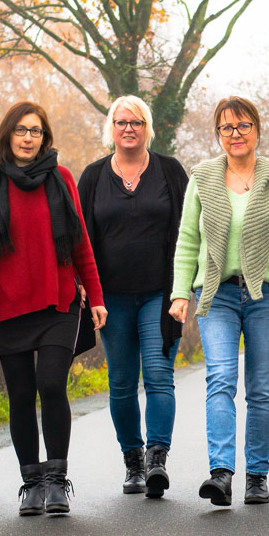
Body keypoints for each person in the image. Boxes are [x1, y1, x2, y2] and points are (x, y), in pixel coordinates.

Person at [169, 96, 269, 506]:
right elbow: (188, 239)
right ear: (218, 134)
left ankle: (257, 476)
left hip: (267, 295)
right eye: (227, 128)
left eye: (243, 126)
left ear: (257, 130)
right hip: (217, 293)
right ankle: (221, 472)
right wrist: (181, 291)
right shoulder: (203, 178)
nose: (235, 134)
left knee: (261, 388)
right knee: (220, 379)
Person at [0, 101, 106, 516]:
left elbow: (81, 242)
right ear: (8, 135)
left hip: (57, 299)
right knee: (21, 394)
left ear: (45, 137)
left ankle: (55, 481)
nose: (29, 138)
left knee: (50, 384)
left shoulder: (61, 178)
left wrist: (96, 296)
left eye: (36, 131)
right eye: (21, 130)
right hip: (8, 303)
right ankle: (30, 483)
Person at [78, 96, 189, 497]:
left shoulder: (170, 171)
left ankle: (157, 459)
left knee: (159, 377)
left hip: (161, 295)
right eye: (122, 122)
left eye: (137, 122)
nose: (129, 128)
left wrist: (183, 290)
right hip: (111, 299)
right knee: (122, 382)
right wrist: (90, 295)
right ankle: (133, 462)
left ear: (148, 128)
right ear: (111, 127)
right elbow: (80, 240)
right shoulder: (92, 177)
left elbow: (188, 231)